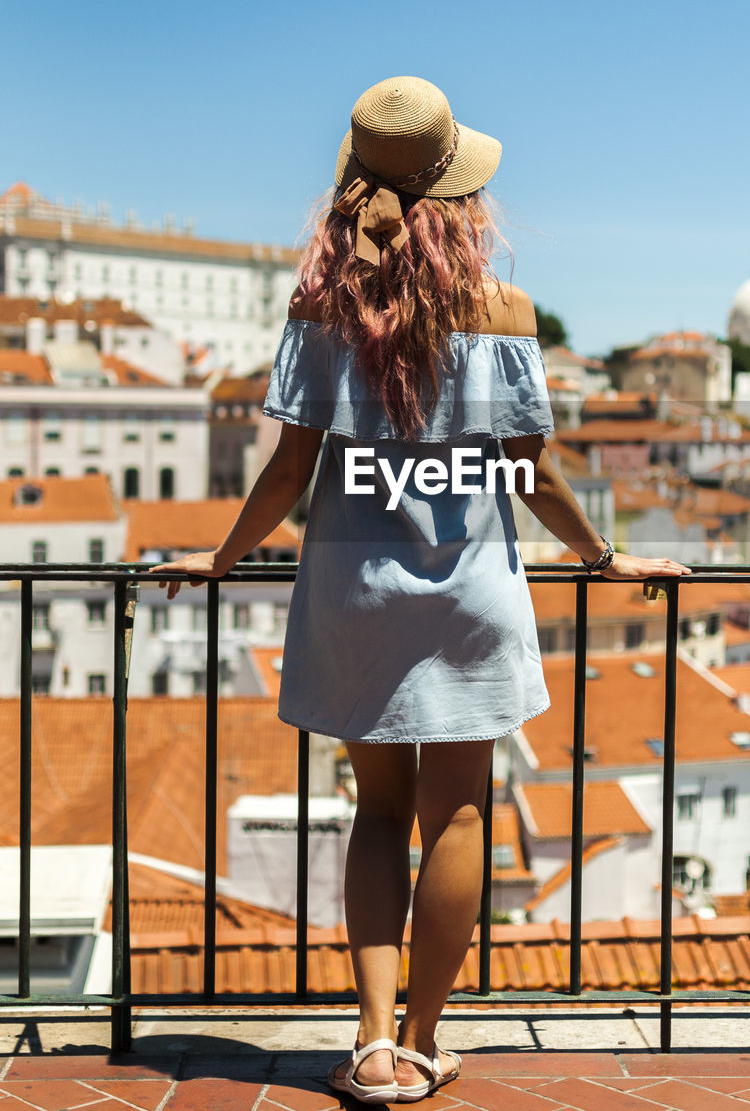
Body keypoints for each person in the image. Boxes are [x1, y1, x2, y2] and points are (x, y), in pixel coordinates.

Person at [153, 76, 690, 1104]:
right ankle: (424, 1039)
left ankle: (365, 1043)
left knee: (377, 811)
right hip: (469, 594)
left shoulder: (322, 307)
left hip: (352, 589)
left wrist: (219, 558)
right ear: (459, 197)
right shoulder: (501, 310)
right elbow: (530, 473)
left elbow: (284, 471)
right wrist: (604, 557)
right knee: (458, 815)